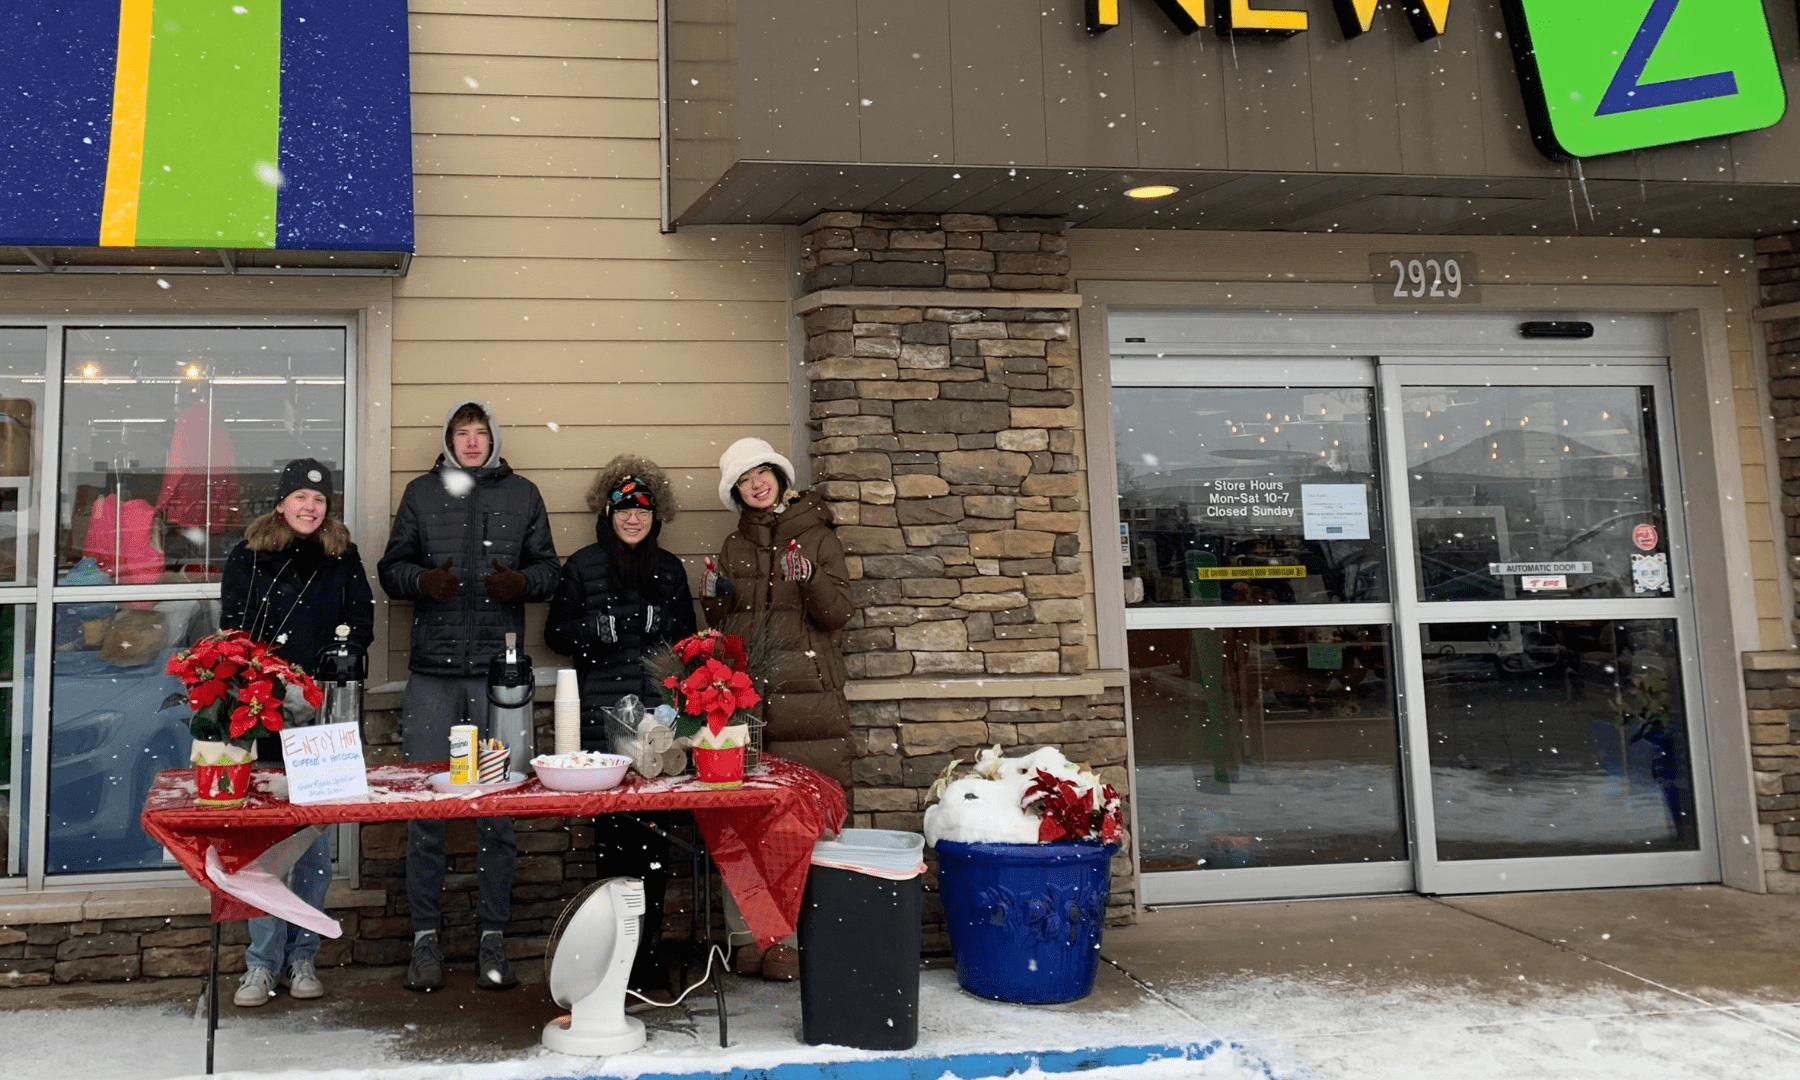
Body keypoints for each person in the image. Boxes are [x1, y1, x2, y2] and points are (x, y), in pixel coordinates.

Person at [378, 400, 558, 992]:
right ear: (450, 439)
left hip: (498, 679)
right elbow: (391, 567)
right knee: (425, 811)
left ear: (494, 439)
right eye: (463, 433)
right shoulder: (422, 492)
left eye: (481, 433)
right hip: (432, 675)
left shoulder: (523, 494)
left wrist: (521, 584)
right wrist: (424, 582)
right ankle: (425, 941)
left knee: (498, 811)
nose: (473, 442)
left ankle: (492, 939)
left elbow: (548, 572)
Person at [220, 458, 374, 1008]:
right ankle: (260, 963)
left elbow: (362, 619)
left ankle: (303, 954)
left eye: (319, 499)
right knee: (264, 843)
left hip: (323, 716)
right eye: (300, 498)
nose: (310, 507)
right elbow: (233, 629)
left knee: (310, 842)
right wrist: (262, 679)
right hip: (261, 711)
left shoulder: (342, 556)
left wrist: (343, 653)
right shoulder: (249, 555)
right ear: (281, 502)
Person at [701, 437, 853, 979]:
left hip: (810, 703)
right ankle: (751, 935)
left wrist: (807, 582)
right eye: (746, 478)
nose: (757, 483)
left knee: (803, 826)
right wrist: (714, 598)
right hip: (748, 708)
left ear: (781, 479)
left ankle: (794, 939)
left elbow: (838, 615)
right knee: (742, 823)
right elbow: (723, 629)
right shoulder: (732, 545)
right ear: (736, 492)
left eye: (764, 472)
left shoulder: (817, 537)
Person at [544, 456, 696, 992]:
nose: (634, 518)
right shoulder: (583, 565)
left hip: (655, 721)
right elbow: (556, 633)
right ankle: (611, 954)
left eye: (643, 510)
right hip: (597, 722)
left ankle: (647, 952)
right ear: (608, 514)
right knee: (611, 844)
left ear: (656, 517)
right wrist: (599, 628)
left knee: (655, 843)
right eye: (624, 509)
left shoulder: (671, 569)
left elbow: (689, 641)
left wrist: (666, 626)